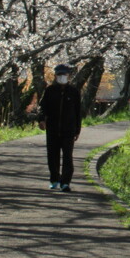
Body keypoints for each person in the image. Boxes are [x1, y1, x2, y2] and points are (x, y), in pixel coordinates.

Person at [39, 63, 83, 192]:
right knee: (52, 156)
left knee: (68, 157)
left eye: (64, 74)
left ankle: (65, 182)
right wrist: (41, 120)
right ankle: (54, 179)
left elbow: (78, 112)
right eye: (59, 75)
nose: (61, 77)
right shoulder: (50, 91)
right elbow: (43, 108)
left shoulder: (74, 92)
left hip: (68, 129)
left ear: (68, 76)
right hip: (52, 129)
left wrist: (77, 130)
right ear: (55, 76)